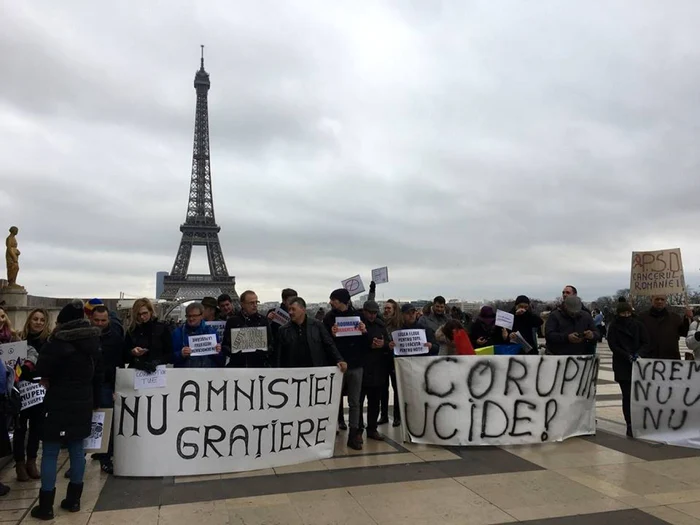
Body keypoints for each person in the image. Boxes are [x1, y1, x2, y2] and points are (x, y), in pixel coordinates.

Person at [30, 300, 103, 520]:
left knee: (50, 452)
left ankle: (46, 506)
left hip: (57, 401)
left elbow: (41, 370)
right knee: (77, 450)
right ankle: (74, 501)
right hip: (83, 401)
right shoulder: (92, 342)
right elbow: (98, 375)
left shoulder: (55, 343)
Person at [324, 288, 368, 450]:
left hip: (356, 364)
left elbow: (366, 342)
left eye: (333, 299)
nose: (330, 302)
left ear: (342, 301)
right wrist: (332, 334)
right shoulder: (329, 318)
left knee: (355, 402)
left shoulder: (359, 316)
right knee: (334, 400)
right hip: (338, 365)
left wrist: (364, 332)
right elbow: (325, 342)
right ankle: (330, 431)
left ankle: (354, 434)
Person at [14, 309, 50, 481]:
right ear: (29, 321)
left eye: (42, 320)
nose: (38, 322)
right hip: (21, 389)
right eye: (35, 319)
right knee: (20, 428)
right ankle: (19, 464)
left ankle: (31, 461)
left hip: (39, 390)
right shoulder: (19, 340)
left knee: (37, 428)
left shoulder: (48, 342)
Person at [89, 305, 124, 474]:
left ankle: (105, 456)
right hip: (88, 382)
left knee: (104, 420)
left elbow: (118, 362)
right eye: (97, 320)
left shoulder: (115, 338)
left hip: (105, 383)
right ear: (91, 319)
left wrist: (114, 385)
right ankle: (81, 458)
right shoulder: (86, 337)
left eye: (103, 320)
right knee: (86, 421)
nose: (100, 323)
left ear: (108, 320)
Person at [607, 301, 649, 437]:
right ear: (618, 313)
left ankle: (639, 420)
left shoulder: (638, 325)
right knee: (627, 395)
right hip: (622, 364)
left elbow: (646, 342)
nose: (626, 315)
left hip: (638, 364)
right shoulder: (613, 327)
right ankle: (630, 423)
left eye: (628, 313)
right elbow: (613, 345)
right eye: (623, 313)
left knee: (639, 395)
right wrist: (627, 355)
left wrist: (639, 353)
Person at [275, 297, 347, 371]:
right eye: (289, 309)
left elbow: (329, 344)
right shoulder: (283, 330)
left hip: (315, 371)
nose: (290, 312)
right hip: (293, 372)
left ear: (303, 309)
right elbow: (279, 355)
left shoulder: (317, 325)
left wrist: (339, 360)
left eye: (293, 309)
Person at [358, 300, 389, 441]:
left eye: (375, 313)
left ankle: (372, 428)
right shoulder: (357, 324)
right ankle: (358, 429)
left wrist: (383, 345)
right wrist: (367, 339)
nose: (372, 315)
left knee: (374, 402)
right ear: (364, 311)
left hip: (377, 368)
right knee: (358, 401)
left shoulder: (380, 325)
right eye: (370, 312)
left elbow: (389, 343)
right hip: (362, 367)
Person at [223, 290, 271, 368]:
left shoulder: (263, 320)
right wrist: (235, 352)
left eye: (256, 302)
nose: (255, 305)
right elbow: (225, 345)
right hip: (238, 365)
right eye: (251, 303)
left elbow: (271, 343)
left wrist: (263, 351)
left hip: (258, 365)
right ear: (242, 304)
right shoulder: (232, 321)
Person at [124, 298, 172, 373]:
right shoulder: (131, 331)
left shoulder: (163, 328)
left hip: (157, 372)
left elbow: (170, 353)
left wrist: (157, 362)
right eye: (139, 314)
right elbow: (124, 355)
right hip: (138, 372)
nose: (142, 317)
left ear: (151, 311)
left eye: (144, 313)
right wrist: (132, 352)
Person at [638, 295, 692, 360]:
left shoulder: (675, 317)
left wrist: (687, 319)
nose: (660, 301)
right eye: (657, 299)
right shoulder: (642, 317)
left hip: (670, 358)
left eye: (662, 299)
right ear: (651, 300)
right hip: (648, 359)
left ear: (666, 301)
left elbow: (684, 333)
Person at [172, 303, 224, 368]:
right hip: (186, 375)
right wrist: (181, 354)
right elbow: (170, 358)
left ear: (202, 316)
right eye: (189, 316)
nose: (191, 319)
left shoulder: (212, 332)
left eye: (194, 316)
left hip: (207, 375)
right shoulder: (177, 333)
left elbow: (221, 362)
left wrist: (218, 353)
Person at [380, 299, 402, 427]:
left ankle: (397, 416)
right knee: (383, 389)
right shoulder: (381, 322)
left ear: (394, 310)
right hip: (383, 358)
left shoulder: (400, 324)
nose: (386, 310)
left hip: (395, 359)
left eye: (389, 308)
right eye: (385, 308)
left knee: (396, 387)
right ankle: (383, 415)